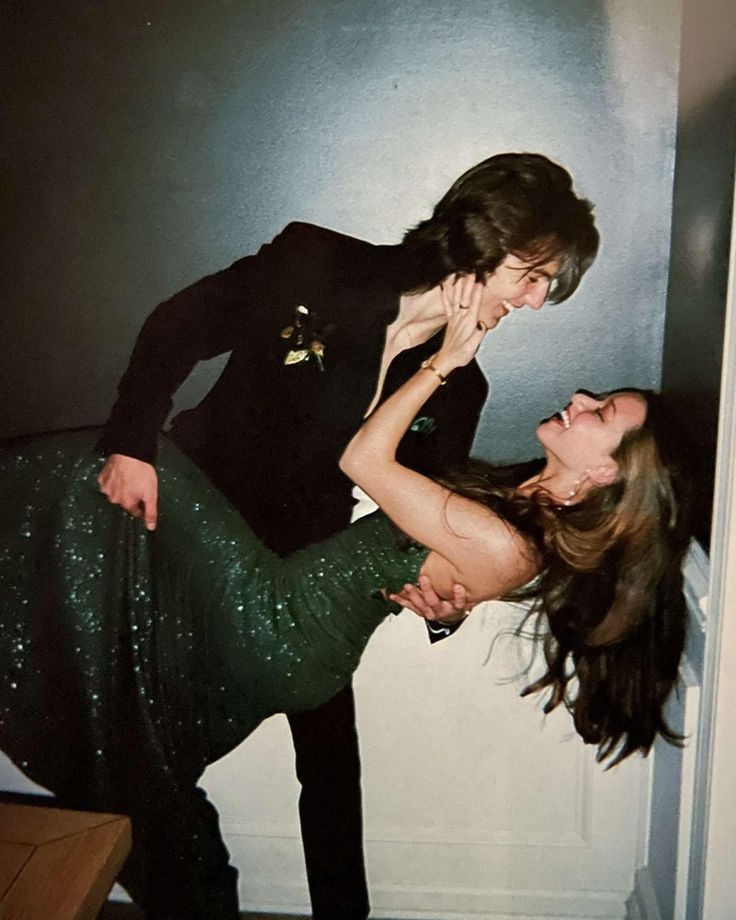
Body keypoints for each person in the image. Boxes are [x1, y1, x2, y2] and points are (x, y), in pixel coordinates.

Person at [0, 287, 689, 919]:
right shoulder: (516, 505)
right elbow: (426, 543)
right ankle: (192, 880)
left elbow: (364, 462)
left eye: (601, 413)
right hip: (292, 598)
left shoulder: (511, 538)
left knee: (129, 459)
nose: (578, 396)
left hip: (280, 618)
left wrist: (443, 363)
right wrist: (445, 605)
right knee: (119, 509)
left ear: (605, 473)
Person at [93, 152, 600, 918]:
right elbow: (180, 327)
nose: (533, 303)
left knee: (330, 755)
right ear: (482, 245)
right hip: (194, 518)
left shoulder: (464, 383)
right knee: (152, 732)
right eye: (531, 277)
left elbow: (426, 509)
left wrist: (448, 603)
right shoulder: (318, 263)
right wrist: (130, 440)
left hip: (301, 558)